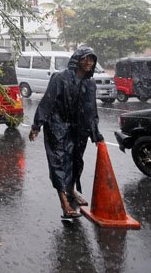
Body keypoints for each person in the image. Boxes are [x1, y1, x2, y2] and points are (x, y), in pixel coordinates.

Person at [28, 46, 104, 219]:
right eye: (86, 58)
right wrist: (37, 125)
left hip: (78, 128)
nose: (89, 62)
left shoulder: (89, 84)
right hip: (57, 125)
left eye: (92, 60)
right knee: (60, 162)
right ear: (77, 60)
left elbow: (91, 110)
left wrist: (95, 133)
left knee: (76, 161)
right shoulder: (60, 78)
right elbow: (48, 101)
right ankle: (65, 203)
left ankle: (71, 191)